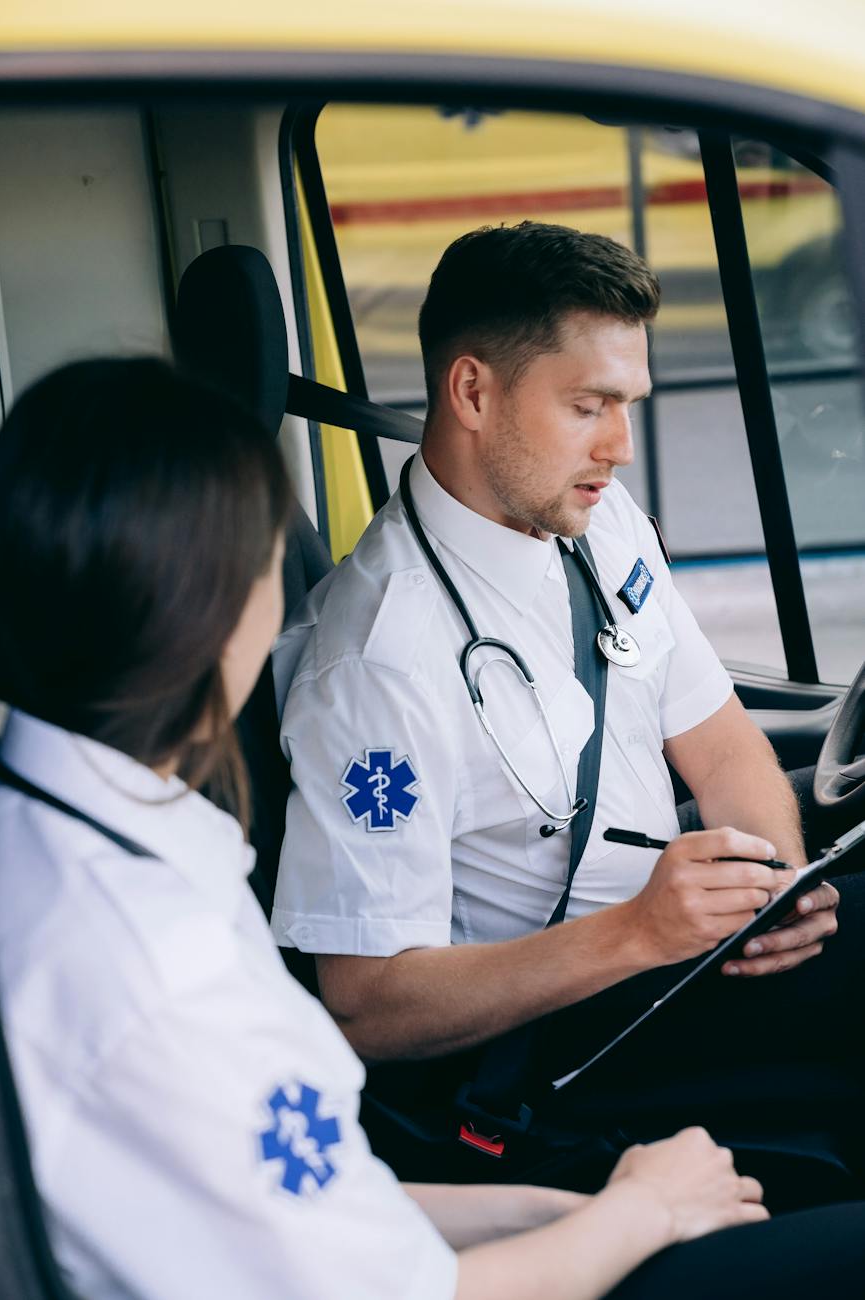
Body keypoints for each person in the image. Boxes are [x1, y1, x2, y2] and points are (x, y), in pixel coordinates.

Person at [3, 357, 851, 1300]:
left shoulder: (82, 850)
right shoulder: (160, 961)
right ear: (212, 613)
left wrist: (565, 1209)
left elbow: (323, 1202)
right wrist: (637, 1213)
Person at [271, 221, 864, 1201]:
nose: (621, 447)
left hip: (679, 954)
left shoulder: (592, 516)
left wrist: (776, 891)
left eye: (625, 404)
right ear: (472, 391)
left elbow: (720, 743)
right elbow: (366, 1007)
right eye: (589, 405)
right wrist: (639, 932)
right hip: (566, 1038)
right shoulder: (377, 665)